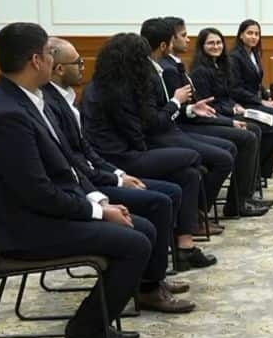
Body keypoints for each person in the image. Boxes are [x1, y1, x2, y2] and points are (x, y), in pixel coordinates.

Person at [0, 22, 151, 338]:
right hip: (26, 228)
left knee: (141, 228)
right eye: (48, 54)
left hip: (42, 213)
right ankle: (83, 336)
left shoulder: (26, 100)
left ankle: (97, 320)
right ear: (36, 60)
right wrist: (100, 213)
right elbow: (38, 193)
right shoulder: (8, 115)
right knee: (135, 243)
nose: (52, 62)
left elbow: (67, 164)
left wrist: (99, 199)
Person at [45, 37, 195, 313]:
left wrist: (117, 175)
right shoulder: (67, 100)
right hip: (94, 179)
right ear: (57, 69)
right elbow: (73, 163)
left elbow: (85, 150)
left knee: (181, 179)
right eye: (77, 62)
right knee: (165, 196)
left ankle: (154, 278)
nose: (82, 67)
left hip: (104, 170)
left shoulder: (73, 96)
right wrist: (112, 182)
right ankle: (149, 286)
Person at [81, 32, 218, 269]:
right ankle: (183, 237)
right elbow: (136, 135)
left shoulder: (113, 85)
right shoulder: (115, 91)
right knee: (192, 156)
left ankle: (184, 246)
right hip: (120, 159)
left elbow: (141, 127)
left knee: (189, 174)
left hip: (129, 152)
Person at [159, 16, 270, 217]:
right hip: (191, 124)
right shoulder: (188, 70)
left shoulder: (209, 65)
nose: (187, 39)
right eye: (211, 43)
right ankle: (233, 203)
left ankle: (244, 195)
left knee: (255, 129)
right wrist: (229, 120)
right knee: (248, 134)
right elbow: (195, 109)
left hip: (202, 116)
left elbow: (221, 98)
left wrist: (235, 109)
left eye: (219, 42)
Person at [189, 27, 273, 180]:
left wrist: (236, 105)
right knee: (258, 130)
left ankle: (257, 174)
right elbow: (209, 105)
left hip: (232, 110)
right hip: (218, 117)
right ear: (202, 47)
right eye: (210, 43)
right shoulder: (200, 71)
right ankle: (250, 180)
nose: (216, 46)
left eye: (219, 43)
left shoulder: (221, 65)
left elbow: (228, 94)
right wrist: (233, 111)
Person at [229, 18, 273, 173]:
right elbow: (235, 89)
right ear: (241, 35)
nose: (254, 37)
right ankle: (266, 163)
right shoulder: (234, 57)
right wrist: (261, 101)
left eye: (257, 34)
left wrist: (268, 97)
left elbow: (257, 82)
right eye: (250, 33)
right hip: (244, 103)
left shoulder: (254, 54)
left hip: (256, 100)